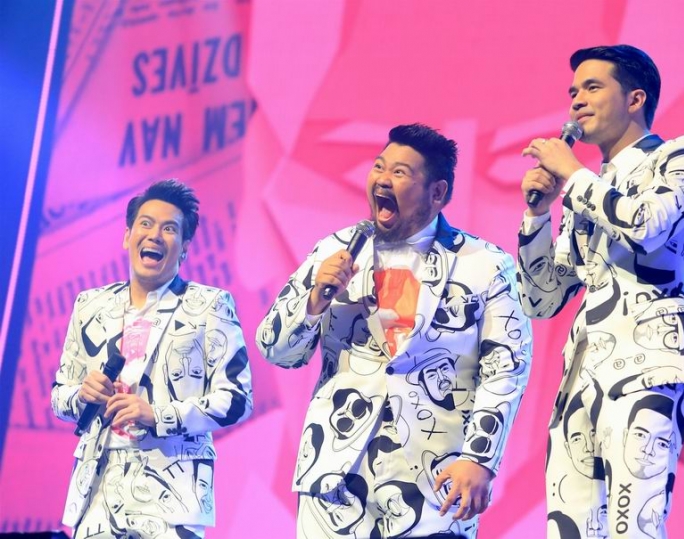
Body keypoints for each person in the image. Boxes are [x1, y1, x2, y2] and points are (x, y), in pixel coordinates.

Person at [257, 123, 532, 538]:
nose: (382, 179)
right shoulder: (335, 250)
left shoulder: (485, 265)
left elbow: (505, 369)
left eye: (400, 172)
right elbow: (276, 350)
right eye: (379, 167)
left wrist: (480, 458)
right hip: (334, 473)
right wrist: (314, 300)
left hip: (433, 481)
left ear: (437, 192)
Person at [516, 45, 684, 538]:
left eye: (592, 87)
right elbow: (541, 299)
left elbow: (647, 227)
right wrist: (538, 216)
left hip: (651, 363)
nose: (576, 101)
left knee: (636, 528)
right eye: (573, 91)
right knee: (571, 530)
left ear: (635, 99)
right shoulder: (588, 190)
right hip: (581, 377)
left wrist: (573, 175)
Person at [52, 179, 253, 538]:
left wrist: (157, 415)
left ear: (185, 247)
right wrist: (81, 395)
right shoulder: (90, 305)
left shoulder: (211, 305)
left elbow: (238, 400)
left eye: (169, 229)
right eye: (145, 224)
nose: (155, 235)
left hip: (172, 495)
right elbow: (59, 396)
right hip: (97, 490)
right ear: (127, 236)